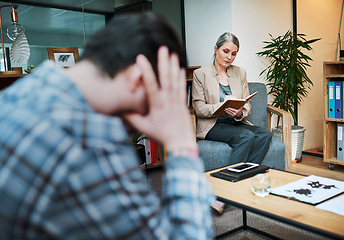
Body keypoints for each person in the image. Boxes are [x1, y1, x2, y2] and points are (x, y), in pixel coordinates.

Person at [0, 12, 214, 240]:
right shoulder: (93, 145)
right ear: (139, 77)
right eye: (156, 102)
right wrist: (181, 144)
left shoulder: (21, 92)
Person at [192, 32, 272, 213]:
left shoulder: (240, 72)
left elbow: (247, 105)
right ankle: (222, 194)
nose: (229, 57)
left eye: (234, 53)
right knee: (246, 136)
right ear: (216, 49)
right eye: (226, 51)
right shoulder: (200, 74)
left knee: (265, 134)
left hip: (235, 122)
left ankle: (241, 182)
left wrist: (239, 111)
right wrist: (221, 106)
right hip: (214, 124)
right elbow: (198, 108)